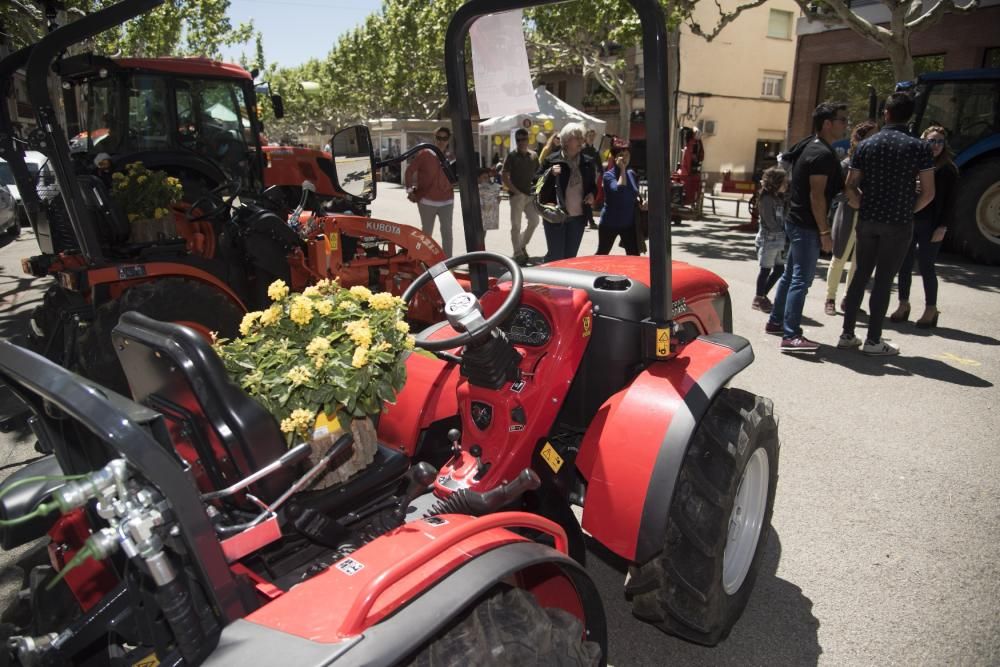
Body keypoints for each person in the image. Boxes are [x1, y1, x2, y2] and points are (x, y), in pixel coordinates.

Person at [839, 92, 935, 355]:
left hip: (869, 218)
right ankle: (873, 340)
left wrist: (860, 203)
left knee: (860, 275)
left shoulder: (866, 146)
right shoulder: (919, 147)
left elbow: (850, 185)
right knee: (883, 279)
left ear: (886, 114)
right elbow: (928, 192)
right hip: (898, 222)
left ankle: (847, 334)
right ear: (911, 116)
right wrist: (908, 210)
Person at [765, 102, 848, 353]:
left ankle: (776, 321)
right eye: (843, 119)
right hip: (806, 226)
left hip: (797, 221)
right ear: (827, 124)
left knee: (791, 275)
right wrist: (824, 232)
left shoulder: (810, 145)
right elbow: (817, 196)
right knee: (801, 279)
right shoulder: (821, 153)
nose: (846, 124)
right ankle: (791, 335)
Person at [888, 125, 957, 329]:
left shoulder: (948, 169)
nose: (935, 145)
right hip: (910, 220)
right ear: (923, 141)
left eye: (939, 142)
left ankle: (931, 309)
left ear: (944, 146)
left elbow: (951, 202)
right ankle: (903, 304)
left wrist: (943, 226)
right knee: (904, 265)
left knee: (927, 266)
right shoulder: (914, 164)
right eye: (931, 141)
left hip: (932, 224)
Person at [824, 120, 878, 316]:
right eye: (872, 135)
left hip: (867, 217)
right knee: (839, 258)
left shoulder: (877, 165)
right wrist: (850, 198)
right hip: (847, 215)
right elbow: (834, 192)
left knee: (859, 261)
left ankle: (849, 298)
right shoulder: (847, 163)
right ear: (861, 139)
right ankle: (830, 298)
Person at [536, 122, 597, 263]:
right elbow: (536, 183)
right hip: (556, 216)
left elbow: (593, 186)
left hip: (578, 218)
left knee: (570, 258)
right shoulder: (551, 160)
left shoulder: (587, 162)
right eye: (578, 137)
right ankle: (548, 278)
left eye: (582, 137)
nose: (582, 140)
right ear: (567, 140)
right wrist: (549, 173)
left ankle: (565, 285)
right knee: (556, 256)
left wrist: (592, 195)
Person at [405, 126, 455, 256]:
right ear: (435, 138)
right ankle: (423, 261)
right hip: (427, 201)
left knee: (447, 234)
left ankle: (448, 262)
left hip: (447, 201)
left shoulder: (452, 156)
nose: (441, 141)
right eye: (439, 137)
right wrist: (410, 190)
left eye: (444, 138)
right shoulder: (425, 154)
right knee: (426, 235)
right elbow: (409, 171)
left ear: (449, 140)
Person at [751, 166, 789, 312]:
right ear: (776, 183)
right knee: (765, 270)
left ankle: (762, 295)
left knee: (780, 270)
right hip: (769, 240)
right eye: (784, 183)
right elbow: (770, 221)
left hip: (779, 240)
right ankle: (758, 298)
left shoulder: (778, 198)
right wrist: (782, 230)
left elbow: (782, 216)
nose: (786, 186)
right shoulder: (766, 199)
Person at [502, 128, 540, 264]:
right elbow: (504, 175)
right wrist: (515, 191)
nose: (521, 142)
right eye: (518, 140)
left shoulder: (533, 155)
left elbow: (538, 174)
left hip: (530, 195)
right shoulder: (512, 156)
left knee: (535, 221)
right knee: (516, 226)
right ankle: (518, 253)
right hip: (517, 196)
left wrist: (538, 189)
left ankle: (522, 244)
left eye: (524, 139)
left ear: (528, 139)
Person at [596, 138, 640, 256]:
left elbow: (633, 193)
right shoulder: (608, 175)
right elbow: (619, 190)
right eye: (621, 155)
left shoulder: (632, 174)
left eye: (627, 154)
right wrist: (622, 169)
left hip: (628, 223)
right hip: (610, 223)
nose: (625, 158)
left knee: (634, 255)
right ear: (615, 158)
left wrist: (642, 203)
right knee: (602, 253)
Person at [582, 128, 601, 230]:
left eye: (593, 136)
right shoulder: (581, 149)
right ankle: (590, 222)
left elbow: (599, 165)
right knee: (585, 199)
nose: (592, 138)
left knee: (588, 199)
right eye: (590, 136)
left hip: (591, 178)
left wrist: (602, 174)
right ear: (586, 137)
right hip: (582, 178)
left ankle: (587, 221)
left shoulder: (595, 151)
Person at [477, 167, 501, 241]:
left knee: (482, 239)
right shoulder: (474, 190)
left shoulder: (489, 189)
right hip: (476, 220)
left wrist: (496, 201)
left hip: (485, 219)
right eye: (484, 177)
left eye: (487, 178)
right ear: (478, 178)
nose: (486, 180)